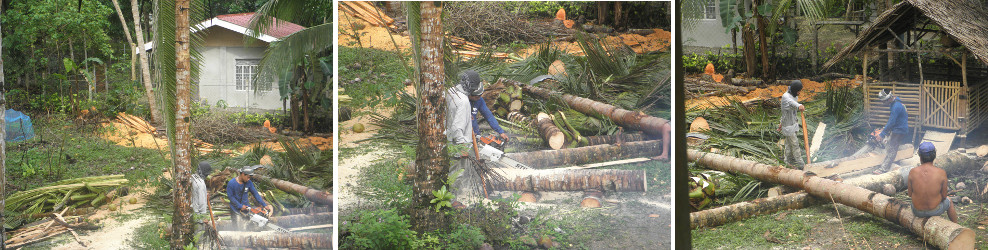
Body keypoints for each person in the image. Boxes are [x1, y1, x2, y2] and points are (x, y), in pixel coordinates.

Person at [446, 70, 508, 145]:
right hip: (460, 137)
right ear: (470, 94)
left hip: (473, 134)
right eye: (477, 96)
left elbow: (488, 115)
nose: (479, 98)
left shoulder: (479, 101)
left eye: (480, 95)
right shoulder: (462, 101)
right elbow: (457, 124)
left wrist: (500, 131)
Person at [908, 142, 957, 222]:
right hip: (935, 211)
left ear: (920, 157)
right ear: (934, 156)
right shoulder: (941, 172)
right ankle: (955, 225)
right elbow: (944, 196)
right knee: (949, 201)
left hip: (917, 211)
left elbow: (910, 194)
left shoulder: (912, 172)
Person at [226, 165, 273, 229]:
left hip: (246, 208)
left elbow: (255, 193)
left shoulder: (249, 183)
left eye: (250, 178)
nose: (249, 179)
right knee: (238, 229)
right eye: (248, 177)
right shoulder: (231, 183)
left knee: (250, 227)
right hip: (235, 209)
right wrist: (240, 206)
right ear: (243, 174)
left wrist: (264, 204)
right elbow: (231, 197)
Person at [874, 89, 908, 174]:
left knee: (891, 148)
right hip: (899, 128)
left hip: (899, 130)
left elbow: (892, 121)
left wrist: (882, 134)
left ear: (888, 98)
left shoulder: (896, 106)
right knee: (893, 145)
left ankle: (883, 168)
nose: (883, 103)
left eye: (884, 101)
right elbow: (893, 120)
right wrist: (885, 128)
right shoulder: (895, 103)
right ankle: (895, 161)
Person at [778, 80, 806, 169]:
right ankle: (801, 165)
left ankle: (787, 161)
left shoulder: (794, 96)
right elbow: (791, 102)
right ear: (794, 90)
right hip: (788, 126)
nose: (799, 93)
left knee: (789, 145)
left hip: (793, 124)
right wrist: (799, 106)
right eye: (798, 91)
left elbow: (785, 113)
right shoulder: (786, 96)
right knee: (795, 145)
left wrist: (780, 123)